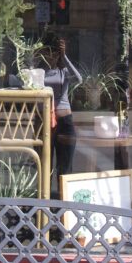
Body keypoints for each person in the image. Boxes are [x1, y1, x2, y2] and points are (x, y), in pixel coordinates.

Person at [40, 34, 81, 184]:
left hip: (64, 122)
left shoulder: (63, 72)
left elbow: (78, 79)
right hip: (44, 121)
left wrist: (64, 57)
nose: (52, 56)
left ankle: (63, 198)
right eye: (48, 52)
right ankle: (44, 197)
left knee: (65, 167)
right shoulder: (39, 72)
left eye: (55, 53)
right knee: (45, 165)